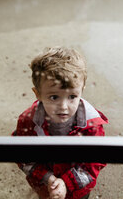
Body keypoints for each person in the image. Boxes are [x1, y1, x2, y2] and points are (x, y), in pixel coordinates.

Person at [12, 46, 108, 199]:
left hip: (77, 190)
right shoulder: (28, 121)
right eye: (54, 97)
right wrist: (49, 179)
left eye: (72, 96)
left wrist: (66, 183)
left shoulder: (92, 124)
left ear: (82, 90)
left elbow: (94, 162)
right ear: (38, 94)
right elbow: (23, 155)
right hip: (45, 186)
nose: (63, 107)